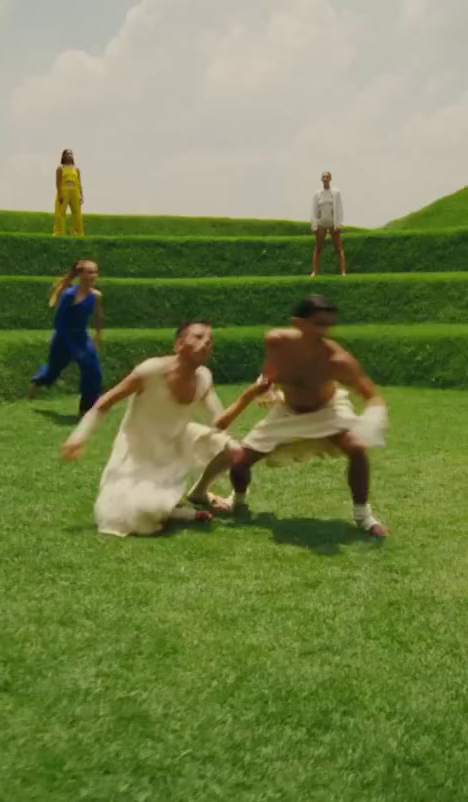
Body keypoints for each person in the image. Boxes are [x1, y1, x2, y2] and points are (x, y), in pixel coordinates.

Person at [196, 295, 391, 537]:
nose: (324, 330)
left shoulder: (337, 360)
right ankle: (238, 500)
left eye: (327, 324)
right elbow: (270, 373)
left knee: (356, 448)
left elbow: (372, 394)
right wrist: (267, 389)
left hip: (328, 410)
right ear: (298, 323)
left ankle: (364, 517)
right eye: (318, 323)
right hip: (287, 410)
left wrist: (370, 423)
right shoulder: (276, 342)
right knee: (239, 461)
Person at [60, 319, 273, 537]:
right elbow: (103, 404)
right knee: (136, 516)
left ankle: (198, 494)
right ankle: (179, 512)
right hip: (138, 449)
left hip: (178, 443)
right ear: (179, 345)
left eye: (210, 340)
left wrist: (250, 394)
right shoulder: (150, 370)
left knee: (234, 449)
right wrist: (78, 437)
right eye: (199, 337)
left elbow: (220, 422)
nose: (207, 343)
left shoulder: (204, 378)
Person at [28, 259, 103, 415]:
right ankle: (36, 382)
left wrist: (97, 336)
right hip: (63, 339)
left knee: (93, 372)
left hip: (82, 337)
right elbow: (59, 323)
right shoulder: (69, 295)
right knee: (52, 373)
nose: (93, 275)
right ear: (80, 274)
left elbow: (97, 317)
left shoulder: (96, 295)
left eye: (95, 272)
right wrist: (72, 347)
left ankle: (86, 408)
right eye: (89, 272)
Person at [310, 171, 347, 277]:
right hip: (321, 223)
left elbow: (339, 209)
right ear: (321, 179)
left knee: (338, 248)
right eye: (323, 177)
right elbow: (314, 210)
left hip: (332, 223)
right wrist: (314, 225)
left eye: (327, 177)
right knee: (318, 248)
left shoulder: (336, 192)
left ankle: (343, 272)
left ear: (330, 179)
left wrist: (339, 224)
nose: (325, 178)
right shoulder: (317, 194)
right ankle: (315, 271)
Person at [54, 148, 85, 237]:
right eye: (67, 154)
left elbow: (79, 183)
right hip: (64, 191)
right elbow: (58, 182)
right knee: (60, 213)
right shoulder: (60, 168)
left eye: (71, 154)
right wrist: (60, 193)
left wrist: (81, 195)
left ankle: (78, 233)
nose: (70, 155)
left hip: (75, 192)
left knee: (77, 213)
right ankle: (59, 232)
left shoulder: (77, 170)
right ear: (63, 156)